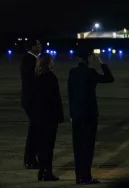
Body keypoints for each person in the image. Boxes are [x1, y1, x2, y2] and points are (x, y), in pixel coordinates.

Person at [68, 50, 114, 185]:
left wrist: (71, 114)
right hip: (89, 114)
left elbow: (70, 94)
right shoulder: (91, 73)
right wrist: (101, 62)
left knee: (78, 147)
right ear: (88, 59)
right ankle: (86, 176)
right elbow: (109, 78)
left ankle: (79, 177)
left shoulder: (72, 72)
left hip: (76, 114)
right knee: (87, 148)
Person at [32, 53, 64, 181]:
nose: (53, 62)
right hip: (49, 117)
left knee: (41, 145)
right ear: (48, 63)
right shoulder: (51, 78)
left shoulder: (37, 77)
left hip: (39, 116)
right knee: (49, 146)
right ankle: (48, 172)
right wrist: (59, 115)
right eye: (52, 61)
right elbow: (55, 99)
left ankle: (42, 171)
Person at [20, 38, 42, 169]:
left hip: (31, 101)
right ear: (33, 47)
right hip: (32, 101)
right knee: (34, 131)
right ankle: (30, 160)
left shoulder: (30, 59)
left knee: (34, 130)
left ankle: (31, 159)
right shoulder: (30, 60)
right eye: (38, 44)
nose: (41, 46)